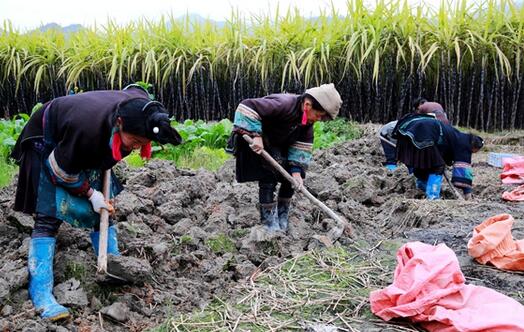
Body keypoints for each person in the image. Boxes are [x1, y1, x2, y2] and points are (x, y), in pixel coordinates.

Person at [10, 84, 182, 321]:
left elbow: (134, 89)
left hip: (92, 141)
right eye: (133, 140)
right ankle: (41, 294)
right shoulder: (87, 128)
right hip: (49, 140)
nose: (136, 147)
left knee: (104, 208)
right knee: (49, 215)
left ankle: (113, 264)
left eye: (142, 143)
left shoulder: (142, 108)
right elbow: (58, 168)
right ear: (119, 123)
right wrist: (90, 194)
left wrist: (98, 197)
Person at [226, 83, 342, 232]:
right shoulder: (284, 104)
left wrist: (296, 173)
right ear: (307, 105)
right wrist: (256, 135)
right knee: (268, 176)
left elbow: (301, 146)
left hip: (280, 145)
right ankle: (268, 222)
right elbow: (247, 107)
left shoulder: (307, 122)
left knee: (291, 181)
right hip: (263, 140)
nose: (318, 119)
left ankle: (282, 216)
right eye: (318, 115)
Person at [395, 115, 484, 200]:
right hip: (425, 134)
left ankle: (421, 188)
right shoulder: (465, 145)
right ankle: (432, 196)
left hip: (416, 131)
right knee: (438, 166)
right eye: (475, 151)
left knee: (426, 163)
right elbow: (464, 172)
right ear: (474, 147)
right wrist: (467, 193)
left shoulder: (458, 136)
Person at [379, 98, 450, 171]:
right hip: (387, 134)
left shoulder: (436, 118)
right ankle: (391, 174)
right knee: (396, 158)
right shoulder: (417, 124)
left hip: (403, 135)